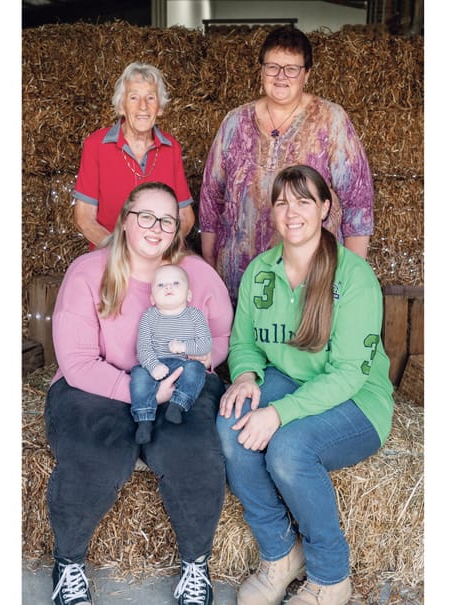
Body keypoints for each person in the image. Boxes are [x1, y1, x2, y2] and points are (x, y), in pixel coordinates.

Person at [45, 181, 233, 605]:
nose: (156, 227)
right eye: (145, 216)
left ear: (177, 229)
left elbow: (220, 336)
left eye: (166, 219)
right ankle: (69, 563)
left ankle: (196, 565)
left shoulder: (197, 275)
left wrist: (194, 365)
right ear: (125, 221)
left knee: (193, 450)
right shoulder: (89, 272)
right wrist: (135, 393)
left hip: (178, 378)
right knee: (97, 450)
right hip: (97, 383)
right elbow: (76, 361)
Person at [216, 165, 393, 605]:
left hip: (356, 399)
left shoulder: (354, 277)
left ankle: (331, 577)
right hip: (287, 379)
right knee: (230, 424)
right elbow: (244, 343)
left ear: (325, 209)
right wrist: (244, 375)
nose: (291, 211)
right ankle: (280, 553)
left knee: (289, 449)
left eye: (304, 200)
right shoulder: (260, 271)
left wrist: (278, 413)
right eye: (281, 202)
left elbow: (349, 373)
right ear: (271, 213)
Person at [200, 25, 375, 304]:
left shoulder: (330, 120)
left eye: (292, 69)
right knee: (246, 345)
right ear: (261, 71)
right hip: (239, 276)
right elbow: (211, 195)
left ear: (306, 74)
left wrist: (351, 274)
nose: (281, 76)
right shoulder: (235, 122)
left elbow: (359, 203)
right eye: (272, 67)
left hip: (311, 277)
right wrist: (209, 262)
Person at [72, 61, 196, 248]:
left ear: (160, 108)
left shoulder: (172, 149)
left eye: (151, 98)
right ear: (121, 106)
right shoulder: (96, 145)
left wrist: (161, 250)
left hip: (159, 258)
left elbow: (185, 216)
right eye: (133, 98)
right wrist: (120, 253)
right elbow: (84, 218)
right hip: (110, 259)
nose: (143, 107)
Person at [130, 263, 214, 444]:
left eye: (176, 283)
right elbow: (143, 348)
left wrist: (184, 347)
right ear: (152, 298)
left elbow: (205, 345)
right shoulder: (149, 317)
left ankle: (178, 404)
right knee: (138, 374)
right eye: (161, 285)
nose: (168, 287)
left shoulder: (195, 315)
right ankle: (144, 420)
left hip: (182, 364)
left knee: (196, 368)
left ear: (189, 294)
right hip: (156, 364)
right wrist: (153, 366)